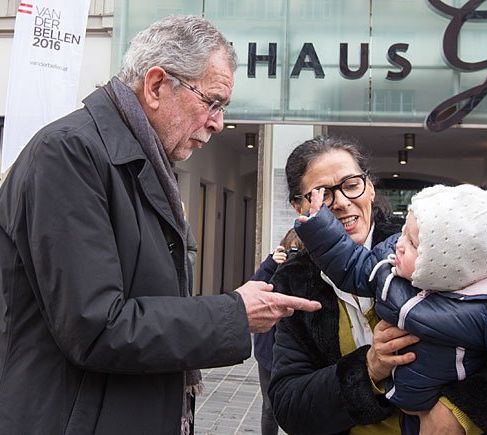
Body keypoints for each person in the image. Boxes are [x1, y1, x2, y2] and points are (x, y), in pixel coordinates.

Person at [0, 15, 321, 435]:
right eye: (212, 102)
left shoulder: (141, 163)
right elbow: (97, 327)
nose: (218, 122)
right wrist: (233, 313)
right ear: (155, 86)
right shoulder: (69, 154)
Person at [267, 135, 487, 435]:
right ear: (300, 207)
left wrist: (461, 410)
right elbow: (289, 404)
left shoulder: (439, 243)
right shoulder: (295, 281)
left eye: (351, 185)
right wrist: (369, 369)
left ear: (371, 189)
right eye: (323, 193)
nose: (341, 202)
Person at [253, 229, 304, 435]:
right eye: (292, 250)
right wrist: (271, 263)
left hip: (298, 351)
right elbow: (255, 287)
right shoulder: (273, 267)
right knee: (269, 406)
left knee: (301, 406)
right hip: (269, 350)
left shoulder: (311, 271)